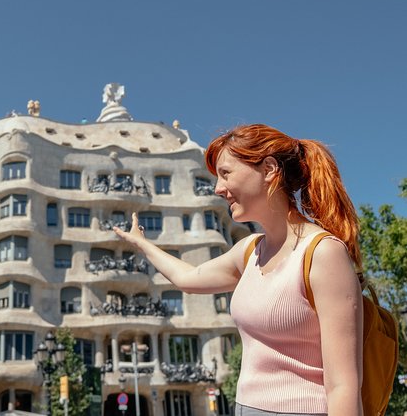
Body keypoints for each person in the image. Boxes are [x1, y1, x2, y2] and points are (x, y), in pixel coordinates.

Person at [114, 124, 362, 416]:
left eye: (226, 173)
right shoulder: (250, 251)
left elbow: (343, 386)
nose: (218, 188)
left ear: (268, 169)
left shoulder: (322, 253)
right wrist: (142, 244)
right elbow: (188, 278)